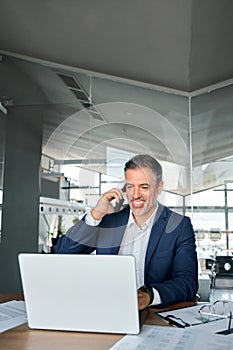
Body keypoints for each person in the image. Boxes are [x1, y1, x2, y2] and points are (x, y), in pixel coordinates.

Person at [55, 154, 198, 309]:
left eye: (144, 187)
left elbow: (187, 283)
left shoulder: (179, 226)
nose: (135, 195)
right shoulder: (108, 220)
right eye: (130, 186)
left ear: (159, 187)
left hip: (153, 316)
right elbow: (63, 252)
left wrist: (149, 296)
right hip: (106, 310)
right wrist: (96, 214)